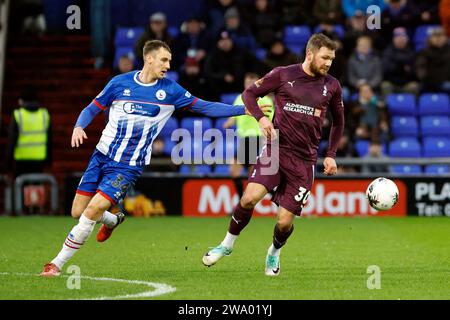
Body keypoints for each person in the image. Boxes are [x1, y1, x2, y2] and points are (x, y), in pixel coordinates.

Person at [40, 40, 270, 277]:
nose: (168, 65)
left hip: (127, 166)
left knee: (92, 211)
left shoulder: (170, 91)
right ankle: (112, 220)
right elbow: (92, 108)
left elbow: (205, 107)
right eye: (164, 60)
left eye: (169, 60)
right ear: (148, 59)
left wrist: (243, 109)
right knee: (78, 211)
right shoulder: (119, 83)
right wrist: (79, 126)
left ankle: (55, 265)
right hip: (101, 155)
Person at [202, 33, 345, 276]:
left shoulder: (332, 85)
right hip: (275, 151)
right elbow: (249, 94)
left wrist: (331, 154)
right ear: (310, 54)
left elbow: (339, 123)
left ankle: (274, 253)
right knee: (249, 199)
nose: (328, 63)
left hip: (304, 161)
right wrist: (260, 119)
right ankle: (226, 245)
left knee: (284, 222)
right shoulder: (283, 74)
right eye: (324, 58)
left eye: (331, 59)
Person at [222, 72, 274, 198]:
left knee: (247, 175)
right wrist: (228, 122)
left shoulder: (265, 100)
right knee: (251, 177)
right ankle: (278, 198)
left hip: (255, 139)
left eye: (252, 83)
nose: (249, 85)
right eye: (247, 83)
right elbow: (233, 116)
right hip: (244, 140)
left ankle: (243, 204)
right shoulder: (240, 98)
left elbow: (270, 121)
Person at [7, 86, 52, 177]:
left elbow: (12, 140)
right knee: (36, 187)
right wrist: (49, 159)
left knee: (20, 187)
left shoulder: (18, 114)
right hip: (39, 160)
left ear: (22, 100)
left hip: (21, 160)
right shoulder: (44, 115)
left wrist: (8, 161)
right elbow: (49, 139)